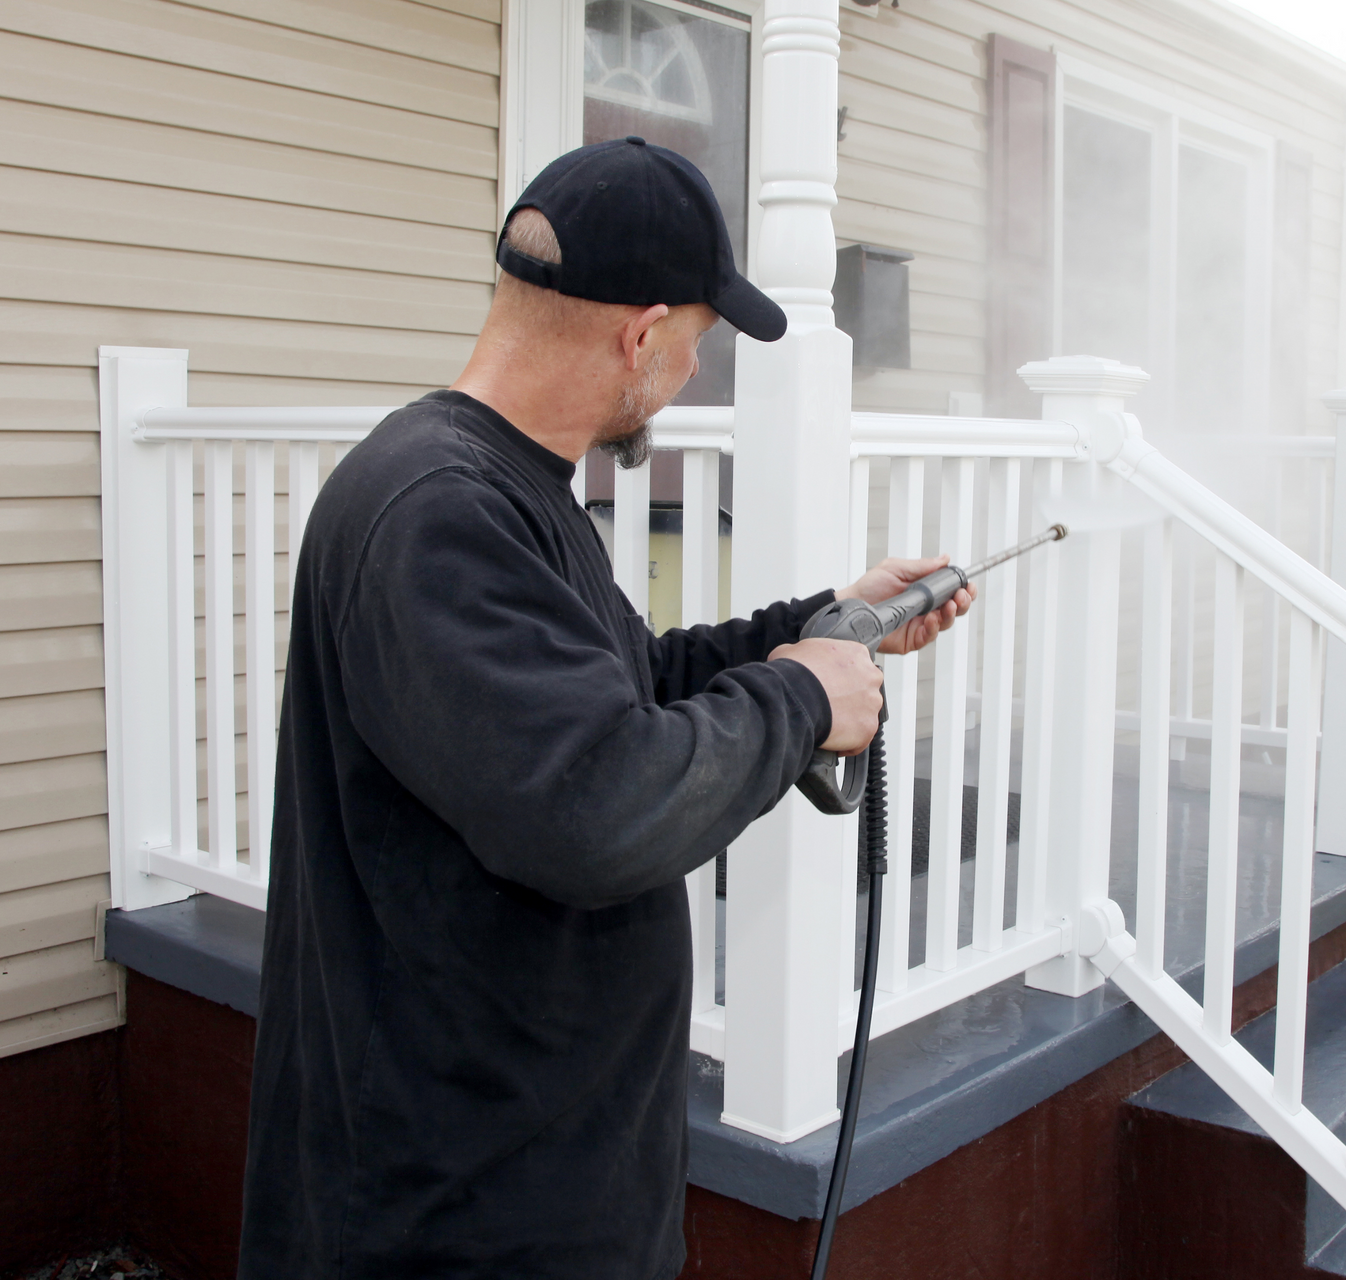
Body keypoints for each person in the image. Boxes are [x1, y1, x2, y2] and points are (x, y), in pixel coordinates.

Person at [238, 138, 972, 1280]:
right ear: (640, 334)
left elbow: (623, 682)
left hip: (534, 1169)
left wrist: (826, 623)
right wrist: (800, 696)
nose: (691, 373)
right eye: (695, 346)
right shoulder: (441, 512)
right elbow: (597, 803)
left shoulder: (497, 486)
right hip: (459, 1209)